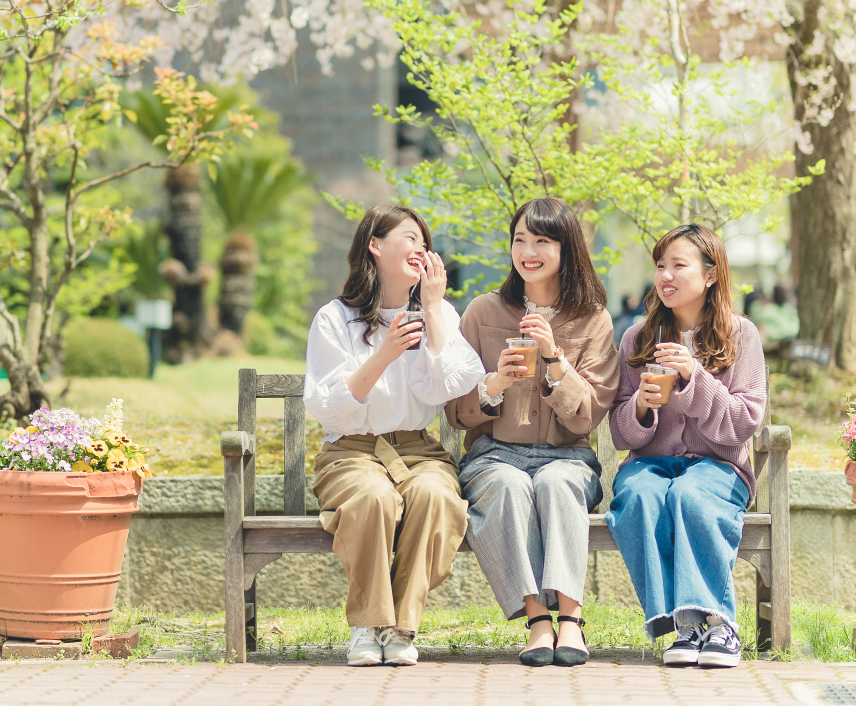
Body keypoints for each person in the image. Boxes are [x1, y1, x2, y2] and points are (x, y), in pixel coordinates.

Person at [303, 204, 485, 667]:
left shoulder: (438, 312)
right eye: (409, 237)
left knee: (435, 496)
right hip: (351, 453)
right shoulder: (334, 318)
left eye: (424, 240)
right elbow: (328, 409)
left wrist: (431, 309)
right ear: (375, 245)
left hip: (418, 450)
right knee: (372, 499)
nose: (421, 247)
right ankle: (369, 624)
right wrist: (383, 354)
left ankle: (402, 625)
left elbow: (453, 383)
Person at [445, 198, 620, 668]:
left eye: (542, 240)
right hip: (494, 456)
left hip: (566, 457)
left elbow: (586, 418)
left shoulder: (593, 318)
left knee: (556, 484)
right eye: (520, 239)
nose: (528, 250)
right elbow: (455, 413)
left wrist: (555, 359)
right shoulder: (482, 313)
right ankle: (536, 619)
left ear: (567, 249)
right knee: (508, 486)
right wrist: (496, 383)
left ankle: (572, 621)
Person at [606, 224, 766, 669]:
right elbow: (622, 434)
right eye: (661, 266)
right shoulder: (637, 339)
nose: (666, 276)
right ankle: (685, 625)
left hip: (718, 467)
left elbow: (744, 422)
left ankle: (717, 623)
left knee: (691, 495)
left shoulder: (741, 335)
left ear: (711, 274)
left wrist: (695, 379)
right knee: (638, 495)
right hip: (650, 464)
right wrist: (640, 404)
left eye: (679, 265)